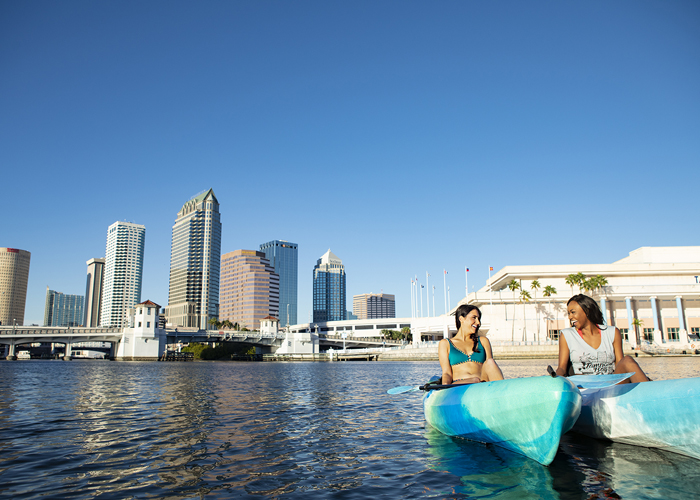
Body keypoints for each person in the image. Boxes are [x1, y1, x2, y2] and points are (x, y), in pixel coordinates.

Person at [555, 294, 649, 383]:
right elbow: (562, 368)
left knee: (627, 360)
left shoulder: (612, 332)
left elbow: (620, 364)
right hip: (584, 386)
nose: (570, 317)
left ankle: (651, 393)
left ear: (586, 311)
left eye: (573, 312)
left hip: (610, 384)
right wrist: (557, 377)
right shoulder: (567, 335)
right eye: (568, 313)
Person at [438, 304, 504, 385]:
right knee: (474, 380)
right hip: (459, 385)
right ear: (461, 319)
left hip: (481, 383)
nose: (478, 322)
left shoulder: (483, 341)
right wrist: (444, 388)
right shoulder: (445, 344)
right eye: (474, 318)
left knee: (490, 362)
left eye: (479, 319)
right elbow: (447, 373)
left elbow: (490, 368)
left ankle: (502, 391)